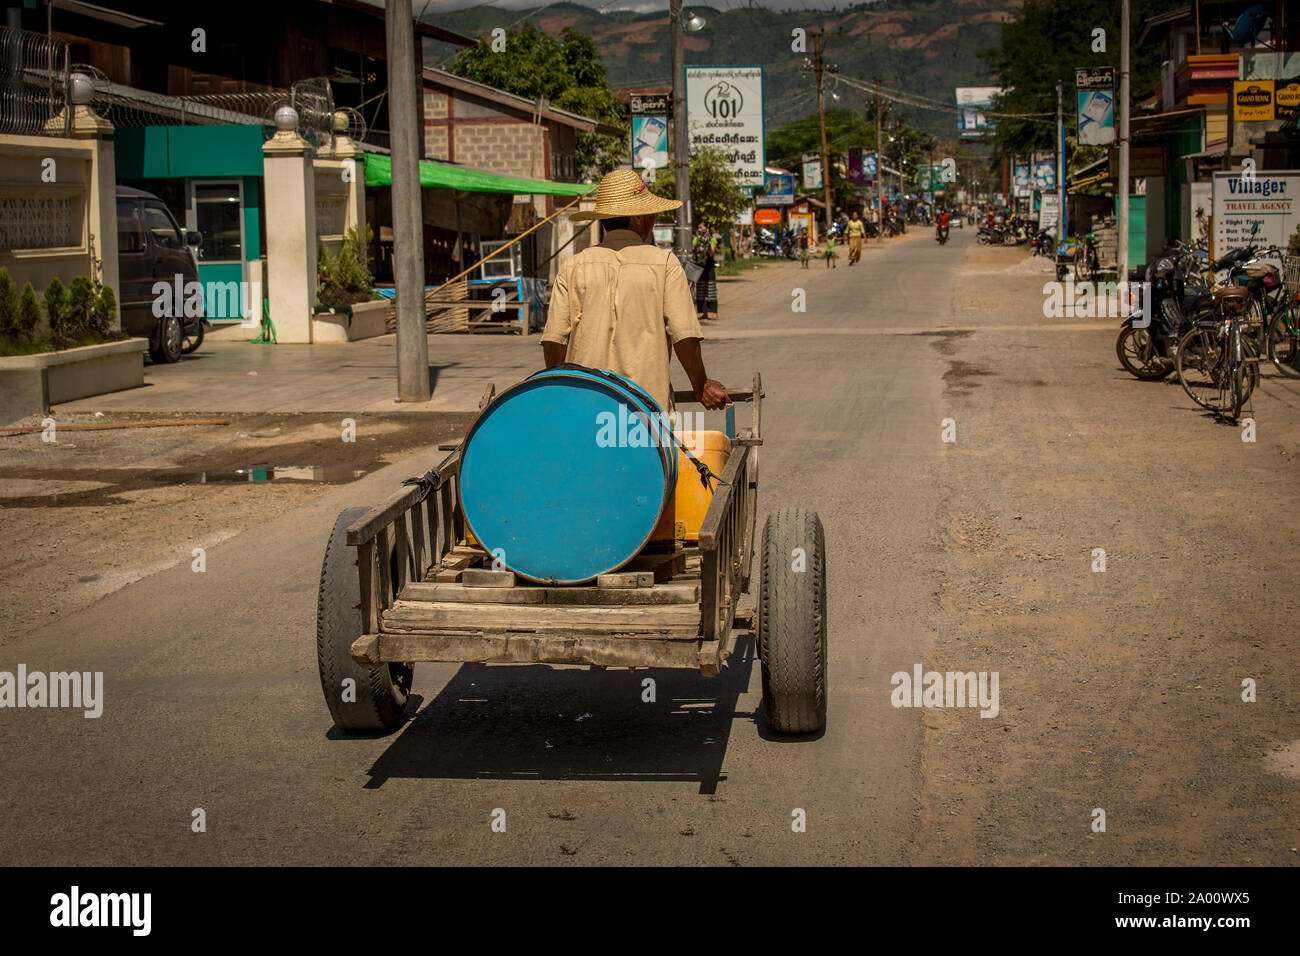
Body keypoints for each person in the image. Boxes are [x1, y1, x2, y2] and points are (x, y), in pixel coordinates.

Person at [541, 169, 728, 415]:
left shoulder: (574, 266)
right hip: (645, 417)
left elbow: (555, 340)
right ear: (639, 218)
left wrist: (563, 393)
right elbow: (684, 337)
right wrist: (700, 383)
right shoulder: (665, 264)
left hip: (584, 414)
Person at [691, 221, 719, 321]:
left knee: (710, 289)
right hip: (699, 266)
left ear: (707, 227)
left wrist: (706, 247)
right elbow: (693, 249)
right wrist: (697, 245)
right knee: (701, 289)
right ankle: (702, 312)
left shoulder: (712, 239)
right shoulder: (696, 239)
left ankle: (713, 312)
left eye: (701, 227)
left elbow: (711, 253)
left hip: (709, 267)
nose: (699, 230)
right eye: (698, 228)